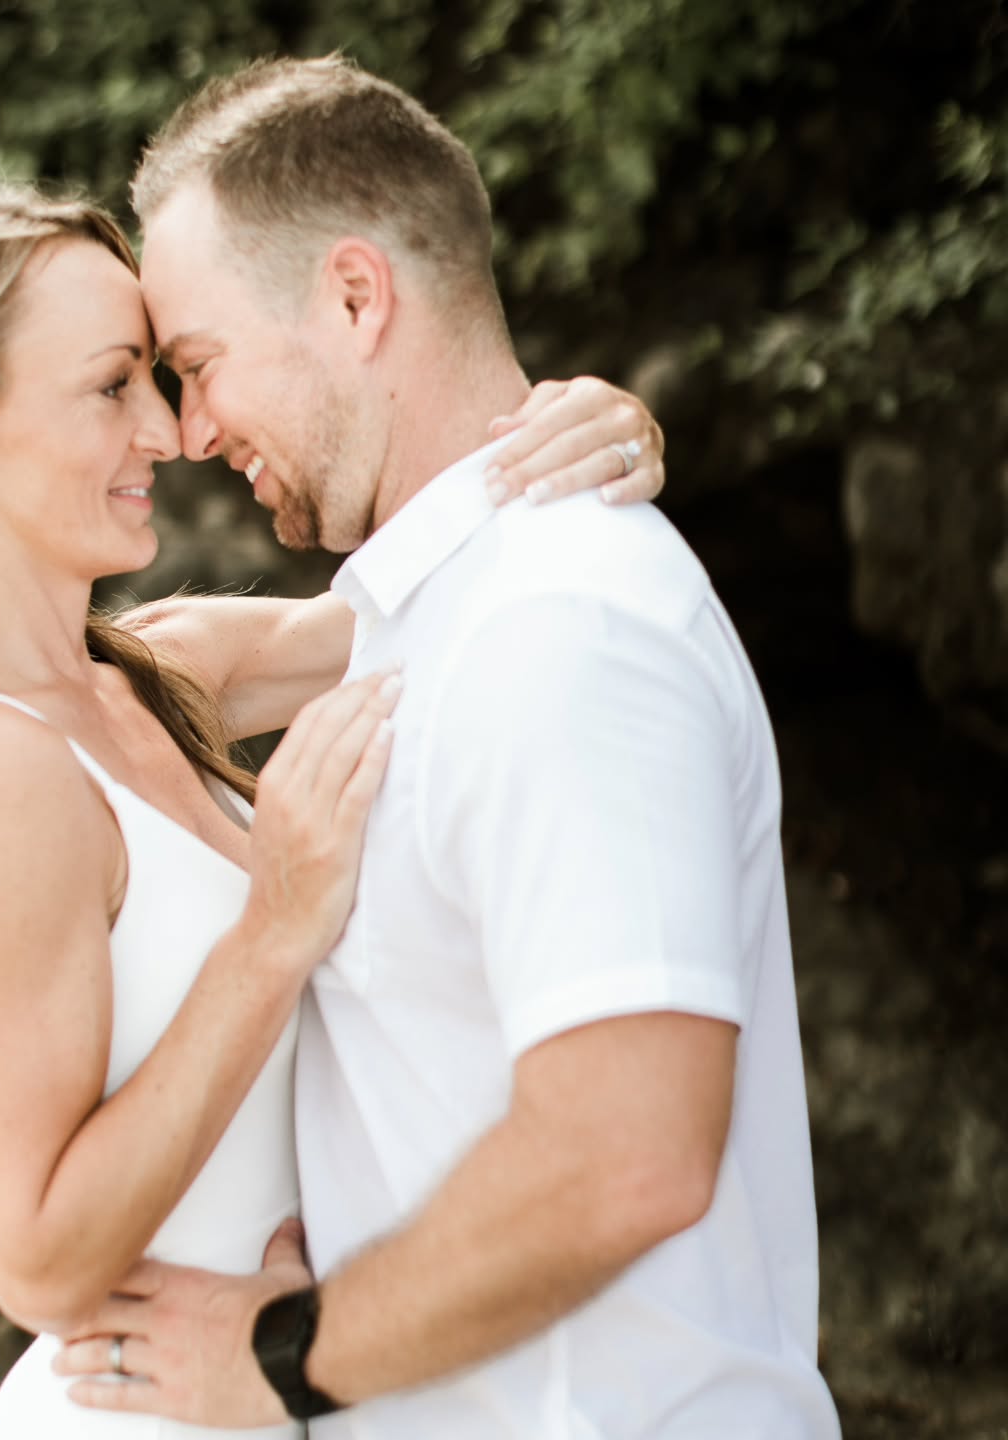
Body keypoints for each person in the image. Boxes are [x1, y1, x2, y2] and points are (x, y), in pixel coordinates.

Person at [0, 171, 664, 1440]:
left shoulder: (152, 671)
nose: (169, 431)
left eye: (157, 376)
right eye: (111, 385)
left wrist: (593, 434)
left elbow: (447, 612)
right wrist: (273, 930)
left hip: (276, 1385)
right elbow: (31, 1257)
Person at [54, 56, 844, 1439]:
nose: (184, 433)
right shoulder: (436, 612)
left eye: (195, 367)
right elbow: (160, 665)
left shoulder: (566, 630)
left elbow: (625, 1155)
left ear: (356, 297)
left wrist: (289, 1355)